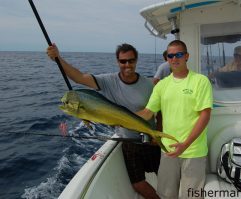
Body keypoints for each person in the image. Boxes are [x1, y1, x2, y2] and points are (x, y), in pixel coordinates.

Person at [47, 43, 161, 199]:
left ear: (136, 61)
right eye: (123, 61)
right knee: (138, 184)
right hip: (127, 142)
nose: (127, 64)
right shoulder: (107, 81)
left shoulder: (149, 84)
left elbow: (159, 111)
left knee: (163, 177)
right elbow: (78, 77)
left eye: (131, 60)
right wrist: (58, 58)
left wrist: (158, 132)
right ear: (117, 61)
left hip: (151, 140)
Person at [137, 40, 213, 199]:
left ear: (186, 56)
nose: (174, 59)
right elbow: (147, 112)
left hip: (193, 151)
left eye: (178, 54)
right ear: (167, 59)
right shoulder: (161, 85)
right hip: (168, 151)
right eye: (170, 56)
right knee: (165, 194)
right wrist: (117, 117)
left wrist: (185, 145)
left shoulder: (200, 81)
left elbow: (205, 115)